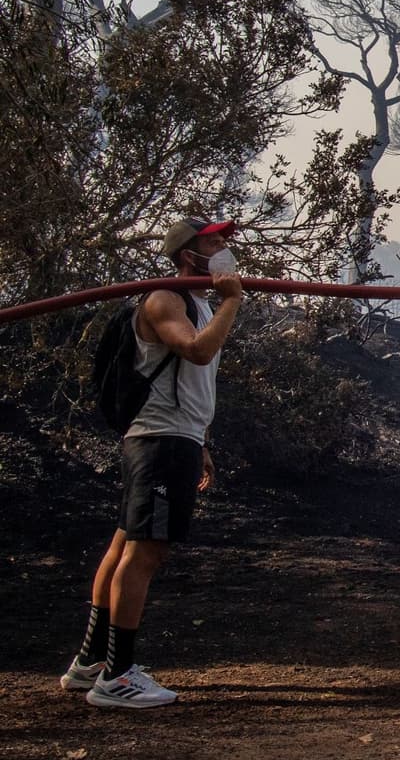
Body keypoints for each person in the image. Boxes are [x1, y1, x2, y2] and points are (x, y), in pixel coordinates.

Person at [62, 217, 243, 709]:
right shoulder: (166, 298)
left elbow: (186, 379)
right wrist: (232, 301)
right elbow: (198, 352)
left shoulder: (195, 300)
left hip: (174, 439)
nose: (225, 246)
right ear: (189, 254)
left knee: (126, 545)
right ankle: (117, 678)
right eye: (214, 240)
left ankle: (90, 664)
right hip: (159, 443)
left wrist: (199, 439)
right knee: (145, 554)